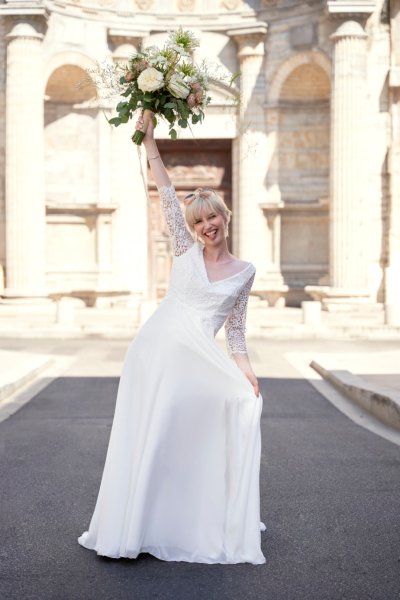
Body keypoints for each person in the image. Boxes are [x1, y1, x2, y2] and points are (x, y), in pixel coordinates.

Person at [78, 110, 266, 565]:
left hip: (200, 355)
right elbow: (164, 187)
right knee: (153, 431)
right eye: (199, 221)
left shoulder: (245, 272)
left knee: (227, 410)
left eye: (212, 218)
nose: (207, 227)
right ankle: (137, 523)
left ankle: (186, 516)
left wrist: (247, 371)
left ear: (225, 215)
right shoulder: (184, 248)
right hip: (156, 350)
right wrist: (150, 142)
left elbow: (236, 332)